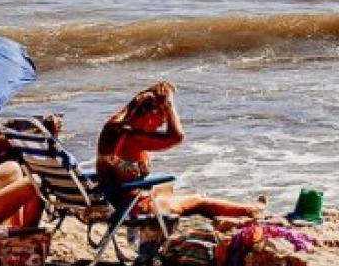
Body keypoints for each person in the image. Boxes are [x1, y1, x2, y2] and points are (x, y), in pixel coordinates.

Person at [96, 82, 260, 220]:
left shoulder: (112, 128)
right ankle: (252, 210)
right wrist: (168, 105)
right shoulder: (132, 137)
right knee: (198, 201)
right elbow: (177, 136)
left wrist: (148, 96)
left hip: (113, 199)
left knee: (169, 189)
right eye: (161, 121)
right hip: (135, 207)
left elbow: (117, 165)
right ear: (150, 114)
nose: (159, 127)